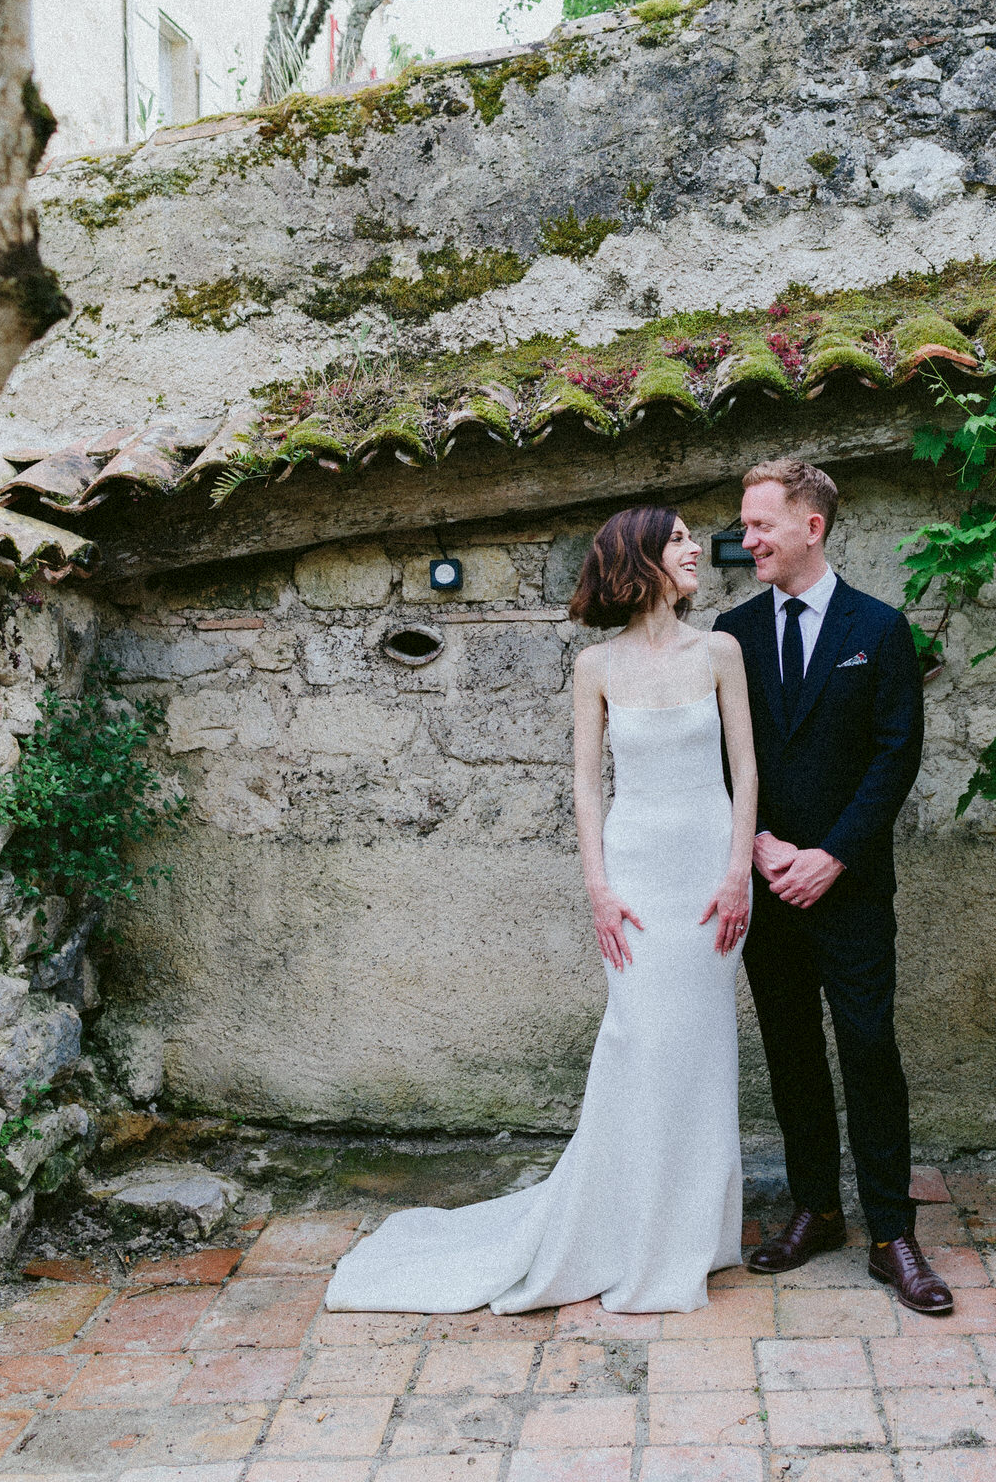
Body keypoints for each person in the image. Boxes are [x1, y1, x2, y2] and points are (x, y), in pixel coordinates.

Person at [324, 506, 759, 1315]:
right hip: (634, 878)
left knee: (701, 1051)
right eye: (678, 540)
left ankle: (695, 1233)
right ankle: (622, 1229)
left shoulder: (721, 651)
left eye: (693, 538)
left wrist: (739, 874)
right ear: (639, 558)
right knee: (640, 1044)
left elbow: (746, 769)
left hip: (708, 877)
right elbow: (587, 787)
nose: (696, 548)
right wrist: (598, 887)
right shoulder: (596, 665)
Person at [714, 460, 947, 1314]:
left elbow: (897, 756)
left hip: (849, 889)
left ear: (811, 526)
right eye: (745, 525)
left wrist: (834, 855)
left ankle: (892, 1232)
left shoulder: (879, 630)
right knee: (791, 1052)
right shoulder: (730, 634)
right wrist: (766, 847)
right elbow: (723, 757)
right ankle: (816, 1210)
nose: (748, 539)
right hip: (768, 883)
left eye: (762, 524)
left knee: (869, 1049)